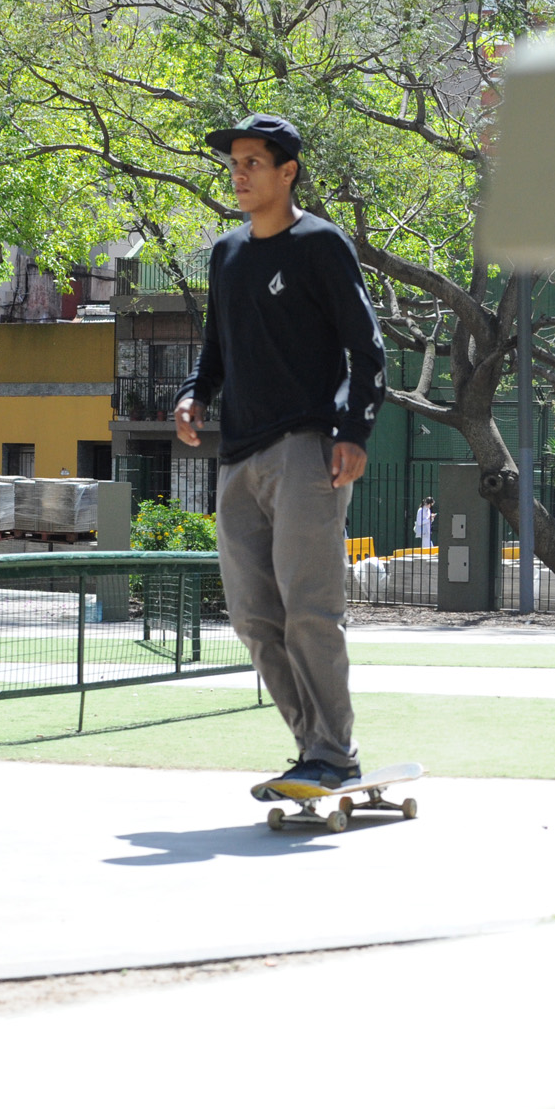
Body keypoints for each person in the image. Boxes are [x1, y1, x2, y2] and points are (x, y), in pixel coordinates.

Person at [171, 113, 387, 792]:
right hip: (238, 456)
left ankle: (334, 751)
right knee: (253, 617)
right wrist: (193, 393)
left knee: (310, 610)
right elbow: (215, 349)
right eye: (233, 164)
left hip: (305, 449)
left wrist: (354, 431)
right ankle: (313, 750)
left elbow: (367, 348)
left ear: (287, 171)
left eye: (253, 163)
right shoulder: (227, 254)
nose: (238, 175)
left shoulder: (320, 244)